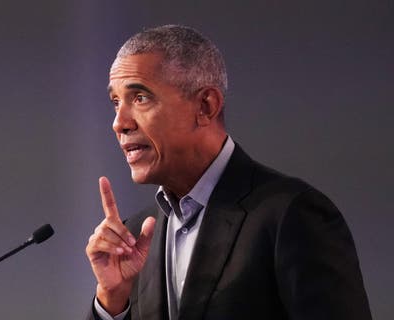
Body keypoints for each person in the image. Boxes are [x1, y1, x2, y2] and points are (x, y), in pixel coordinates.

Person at [85, 25, 371, 320]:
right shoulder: (135, 236)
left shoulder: (291, 215)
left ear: (206, 106)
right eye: (116, 103)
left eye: (140, 98)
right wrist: (112, 300)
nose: (119, 123)